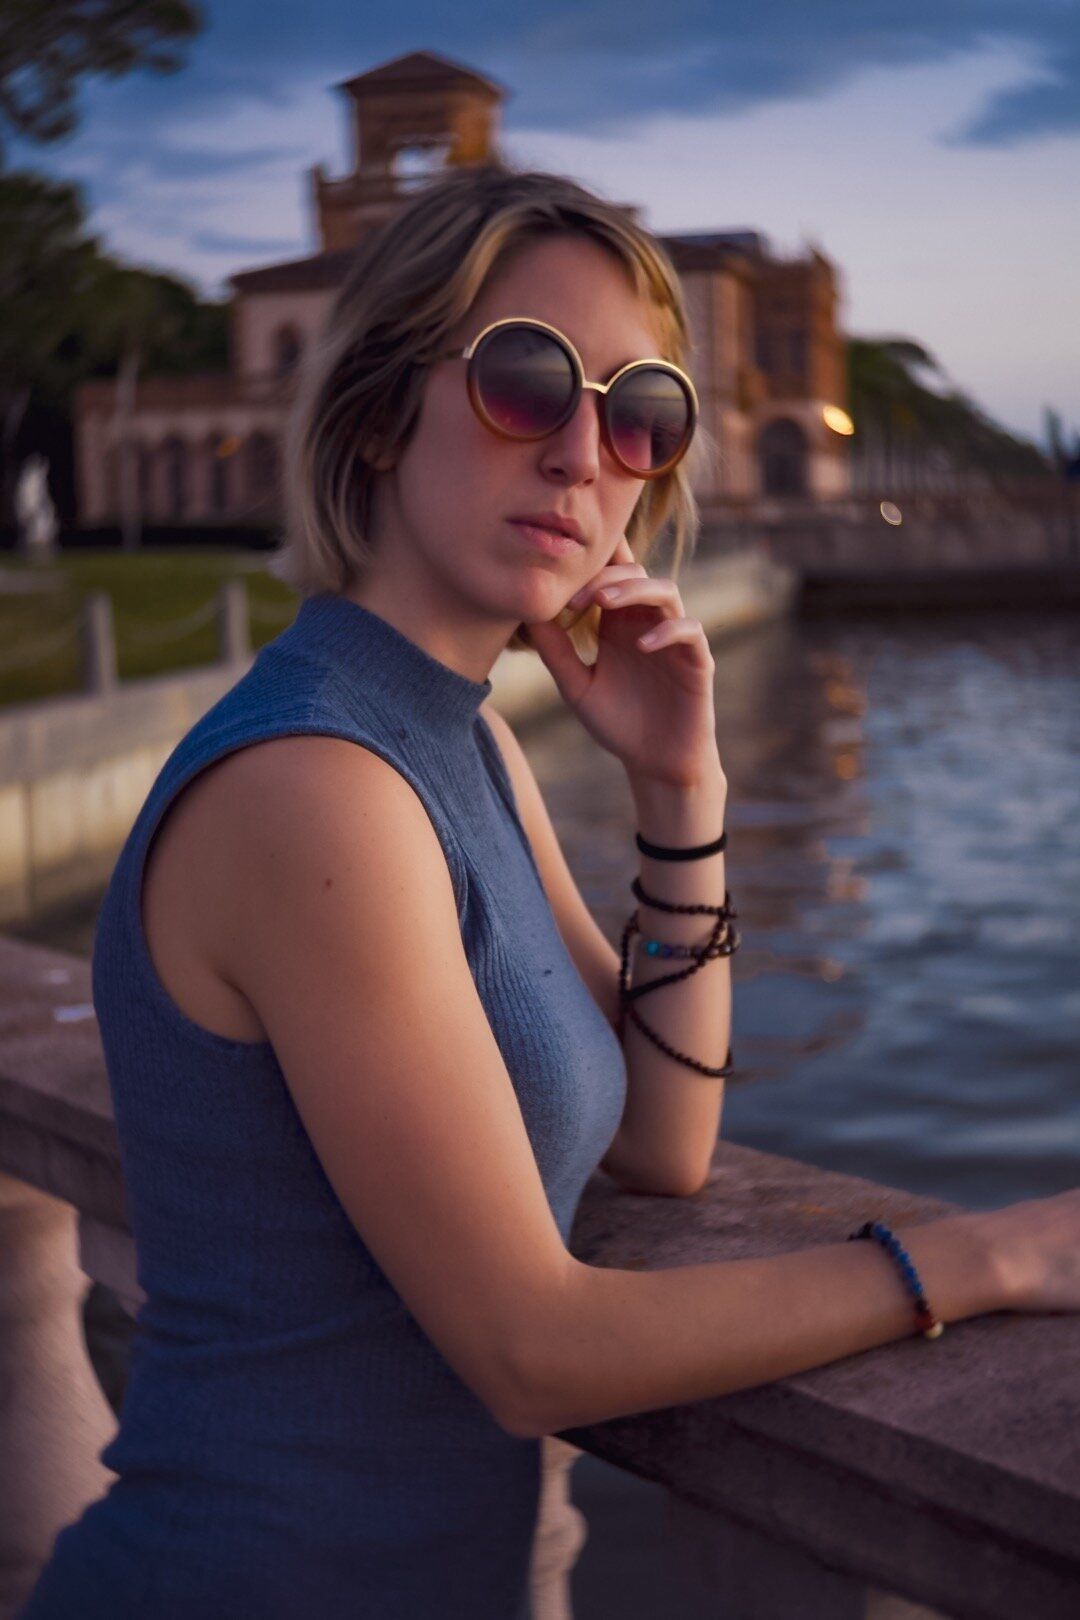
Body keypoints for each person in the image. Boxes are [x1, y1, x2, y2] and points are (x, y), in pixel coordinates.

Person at [19, 163, 1080, 1619]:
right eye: (529, 381)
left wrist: (679, 791)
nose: (588, 453)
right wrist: (988, 1250)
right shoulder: (315, 786)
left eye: (643, 414)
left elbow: (663, 1142)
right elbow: (530, 1346)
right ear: (381, 412)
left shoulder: (461, 741)